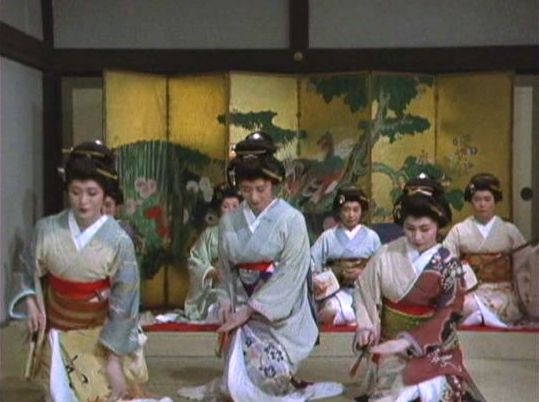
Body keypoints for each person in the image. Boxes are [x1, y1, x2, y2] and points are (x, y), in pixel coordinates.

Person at [178, 131, 343, 401]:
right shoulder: (229, 222)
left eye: (260, 189)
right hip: (242, 312)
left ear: (274, 184)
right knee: (237, 383)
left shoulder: (291, 220)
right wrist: (225, 300)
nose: (253, 197)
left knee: (267, 380)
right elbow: (227, 271)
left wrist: (251, 309)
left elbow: (292, 272)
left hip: (278, 315)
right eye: (246, 190)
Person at [9, 141, 170, 402]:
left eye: (92, 193)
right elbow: (26, 268)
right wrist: (30, 301)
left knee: (106, 394)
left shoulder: (118, 241)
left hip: (99, 337)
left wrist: (114, 359)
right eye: (75, 192)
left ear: (105, 194)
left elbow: (124, 301)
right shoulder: (47, 230)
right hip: (57, 333)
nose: (83, 201)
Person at [353, 175, 485, 401]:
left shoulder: (448, 264)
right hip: (390, 347)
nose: (417, 236)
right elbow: (363, 291)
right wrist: (366, 327)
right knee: (395, 393)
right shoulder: (385, 254)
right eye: (410, 228)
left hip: (435, 347)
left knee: (445, 390)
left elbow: (449, 313)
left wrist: (408, 341)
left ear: (438, 225)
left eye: (425, 229)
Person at [443, 173, 532, 327]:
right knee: (466, 305)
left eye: (487, 199)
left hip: (503, 289)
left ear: (495, 201)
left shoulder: (509, 230)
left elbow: (523, 265)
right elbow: (446, 260)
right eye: (477, 199)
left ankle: (481, 318)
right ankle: (479, 318)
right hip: (471, 289)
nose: (482, 204)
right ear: (471, 201)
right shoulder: (459, 230)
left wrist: (524, 294)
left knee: (500, 304)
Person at [311, 186, 381, 325]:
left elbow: (381, 266)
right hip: (335, 292)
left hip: (364, 291)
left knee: (369, 311)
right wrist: (316, 280)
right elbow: (311, 262)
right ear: (339, 211)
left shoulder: (372, 237)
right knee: (331, 309)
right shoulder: (328, 237)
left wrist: (363, 273)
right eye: (346, 209)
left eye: (355, 210)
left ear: (362, 211)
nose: (351, 215)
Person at [183, 183, 242, 322]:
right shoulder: (210, 234)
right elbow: (195, 260)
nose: (231, 210)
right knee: (220, 305)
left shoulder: (248, 233)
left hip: (242, 287)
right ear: (219, 210)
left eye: (235, 206)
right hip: (218, 287)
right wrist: (211, 272)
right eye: (226, 206)